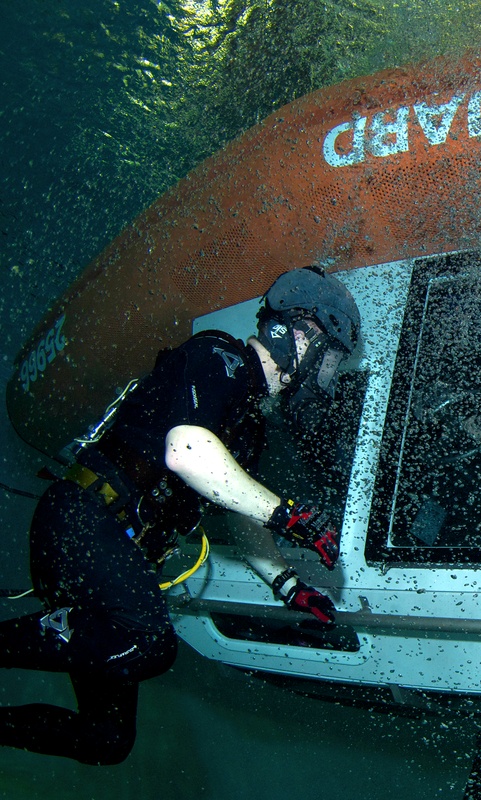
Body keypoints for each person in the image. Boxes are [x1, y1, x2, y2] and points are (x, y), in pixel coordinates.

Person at [0, 266, 360, 765]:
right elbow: (186, 450)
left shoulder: (248, 426)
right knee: (151, 644)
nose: (325, 378)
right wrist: (290, 514)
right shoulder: (218, 357)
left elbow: (238, 513)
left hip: (113, 550)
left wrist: (287, 585)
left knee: (106, 740)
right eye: (328, 360)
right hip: (83, 521)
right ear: (296, 333)